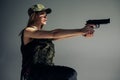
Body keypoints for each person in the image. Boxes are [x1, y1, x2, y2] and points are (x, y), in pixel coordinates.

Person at [20, 3, 95, 80]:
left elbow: (60, 36)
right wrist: (81, 31)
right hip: (34, 73)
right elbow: (54, 34)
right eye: (42, 14)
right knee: (70, 74)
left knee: (70, 74)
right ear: (34, 15)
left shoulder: (42, 35)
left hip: (46, 70)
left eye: (46, 14)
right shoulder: (28, 31)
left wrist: (82, 32)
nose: (46, 16)